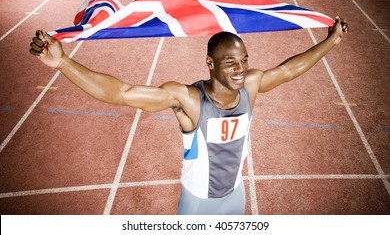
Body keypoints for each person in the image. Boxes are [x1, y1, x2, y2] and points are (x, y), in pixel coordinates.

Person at [29, 17, 348, 215]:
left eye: (244, 60)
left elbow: (290, 69)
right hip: (197, 206)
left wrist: (331, 40)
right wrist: (62, 63)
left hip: (235, 200)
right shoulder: (188, 99)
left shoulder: (251, 85)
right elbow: (122, 93)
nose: (241, 69)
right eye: (230, 62)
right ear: (210, 63)